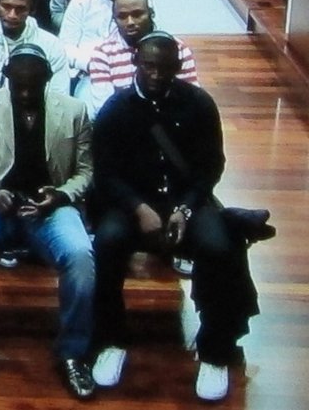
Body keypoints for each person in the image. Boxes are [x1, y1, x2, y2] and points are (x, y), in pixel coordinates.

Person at [89, 33, 259, 402]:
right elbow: (105, 173)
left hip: (187, 200)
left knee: (218, 247)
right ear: (136, 62)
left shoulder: (199, 104)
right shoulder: (116, 109)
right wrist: (138, 208)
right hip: (134, 203)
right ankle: (111, 339)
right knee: (107, 244)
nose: (155, 74)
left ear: (177, 67)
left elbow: (211, 165)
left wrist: (185, 208)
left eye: (164, 67)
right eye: (148, 66)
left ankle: (214, 351)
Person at [0, 44, 96, 399]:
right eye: (19, 86)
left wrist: (60, 196)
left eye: (34, 86)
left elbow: (86, 170)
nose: (26, 93)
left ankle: (73, 351)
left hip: (48, 206)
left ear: (48, 78)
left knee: (80, 254)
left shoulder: (74, 110)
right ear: (6, 77)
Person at [86, 0, 198, 118]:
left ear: (151, 13)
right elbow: (104, 109)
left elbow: (191, 99)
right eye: (122, 16)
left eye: (137, 14)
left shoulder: (178, 49)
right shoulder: (102, 54)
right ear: (114, 19)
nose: (130, 22)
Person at [59, 0, 137, 99]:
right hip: (88, 73)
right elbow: (65, 47)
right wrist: (93, 64)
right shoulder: (82, 1)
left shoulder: (140, 3)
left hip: (130, 71)